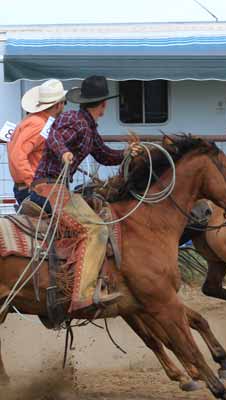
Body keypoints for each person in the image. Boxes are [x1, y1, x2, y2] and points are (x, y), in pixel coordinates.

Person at [31, 75, 142, 313]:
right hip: (50, 187)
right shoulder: (75, 120)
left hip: (55, 186)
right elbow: (54, 137)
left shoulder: (87, 126)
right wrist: (63, 153)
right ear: (103, 104)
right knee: (97, 228)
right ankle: (83, 295)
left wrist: (127, 153)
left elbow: (104, 154)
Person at [8, 79, 67, 205]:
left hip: (26, 186)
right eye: (64, 103)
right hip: (34, 189)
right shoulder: (39, 124)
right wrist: (33, 183)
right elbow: (18, 156)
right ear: (58, 105)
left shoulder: (34, 121)